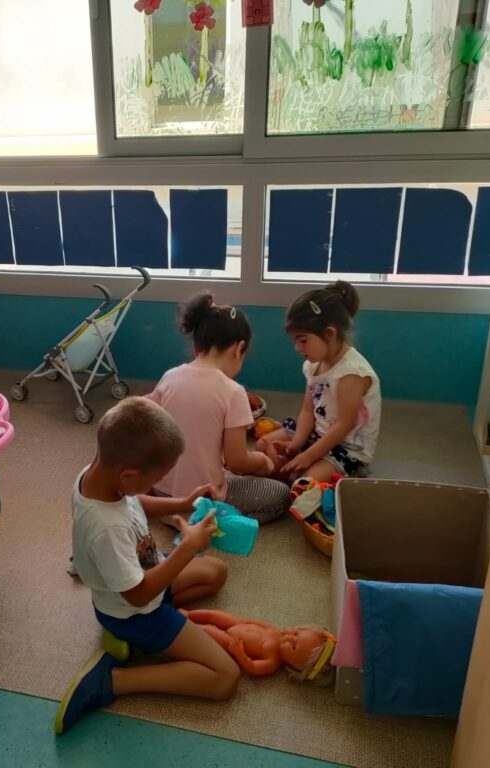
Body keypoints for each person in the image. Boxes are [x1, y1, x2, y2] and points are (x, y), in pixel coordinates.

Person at [55, 397, 240, 734]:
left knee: (217, 573)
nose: (162, 480)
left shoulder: (99, 476)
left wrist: (182, 503)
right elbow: (138, 595)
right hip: (135, 612)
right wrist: (187, 548)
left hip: (145, 569)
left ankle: (157, 631)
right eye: (160, 476)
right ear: (129, 474)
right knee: (225, 678)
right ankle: (114, 679)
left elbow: (134, 500)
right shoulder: (106, 529)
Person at [146, 294, 290, 524]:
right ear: (239, 348)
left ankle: (173, 514)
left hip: (162, 493)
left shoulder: (170, 377)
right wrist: (264, 462)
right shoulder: (233, 392)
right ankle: (211, 521)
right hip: (203, 499)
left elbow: (148, 413)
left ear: (196, 346)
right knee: (280, 495)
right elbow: (237, 462)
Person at [267, 281, 381, 483]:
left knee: (303, 482)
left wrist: (308, 456)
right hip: (318, 433)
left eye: (303, 340)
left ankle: (344, 475)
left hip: (345, 447)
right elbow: (307, 411)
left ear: (330, 333)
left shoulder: (351, 373)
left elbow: (344, 425)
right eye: (294, 340)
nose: (297, 348)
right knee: (264, 445)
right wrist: (296, 444)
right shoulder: (313, 366)